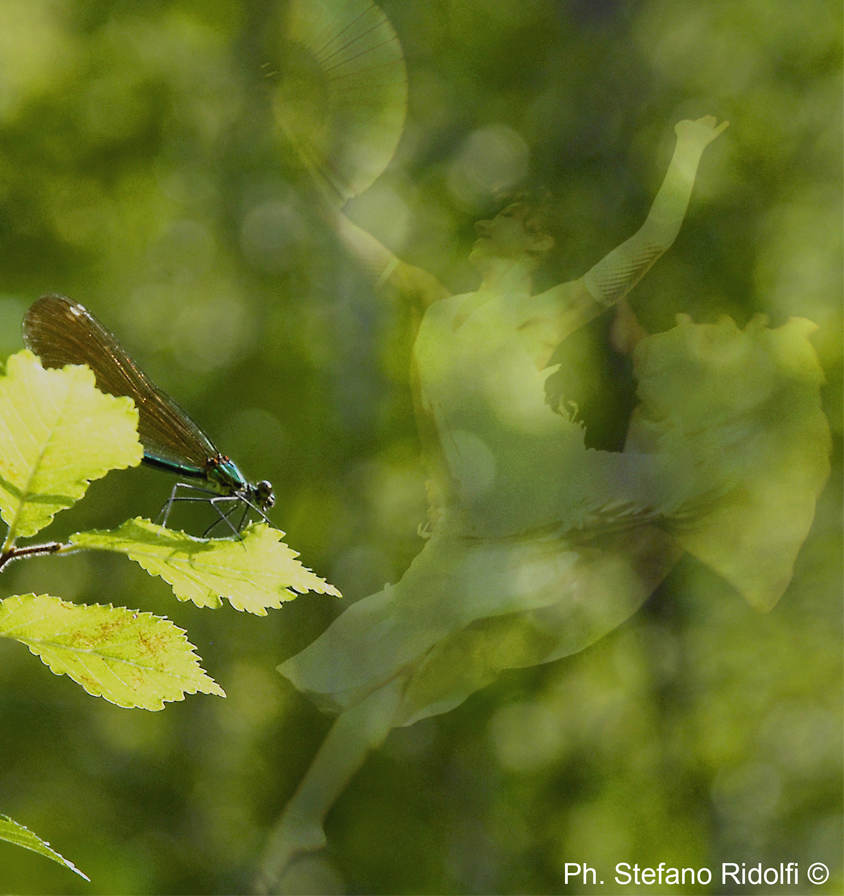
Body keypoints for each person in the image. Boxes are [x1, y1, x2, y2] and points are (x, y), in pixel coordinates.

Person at [257, 117, 830, 887]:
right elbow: (415, 342)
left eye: (523, 238)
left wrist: (685, 159)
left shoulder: (523, 314)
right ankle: (302, 819)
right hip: (504, 513)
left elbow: (639, 254)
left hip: (547, 498)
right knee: (389, 659)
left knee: (668, 494)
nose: (516, 250)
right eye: (508, 236)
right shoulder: (456, 316)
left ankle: (307, 810)